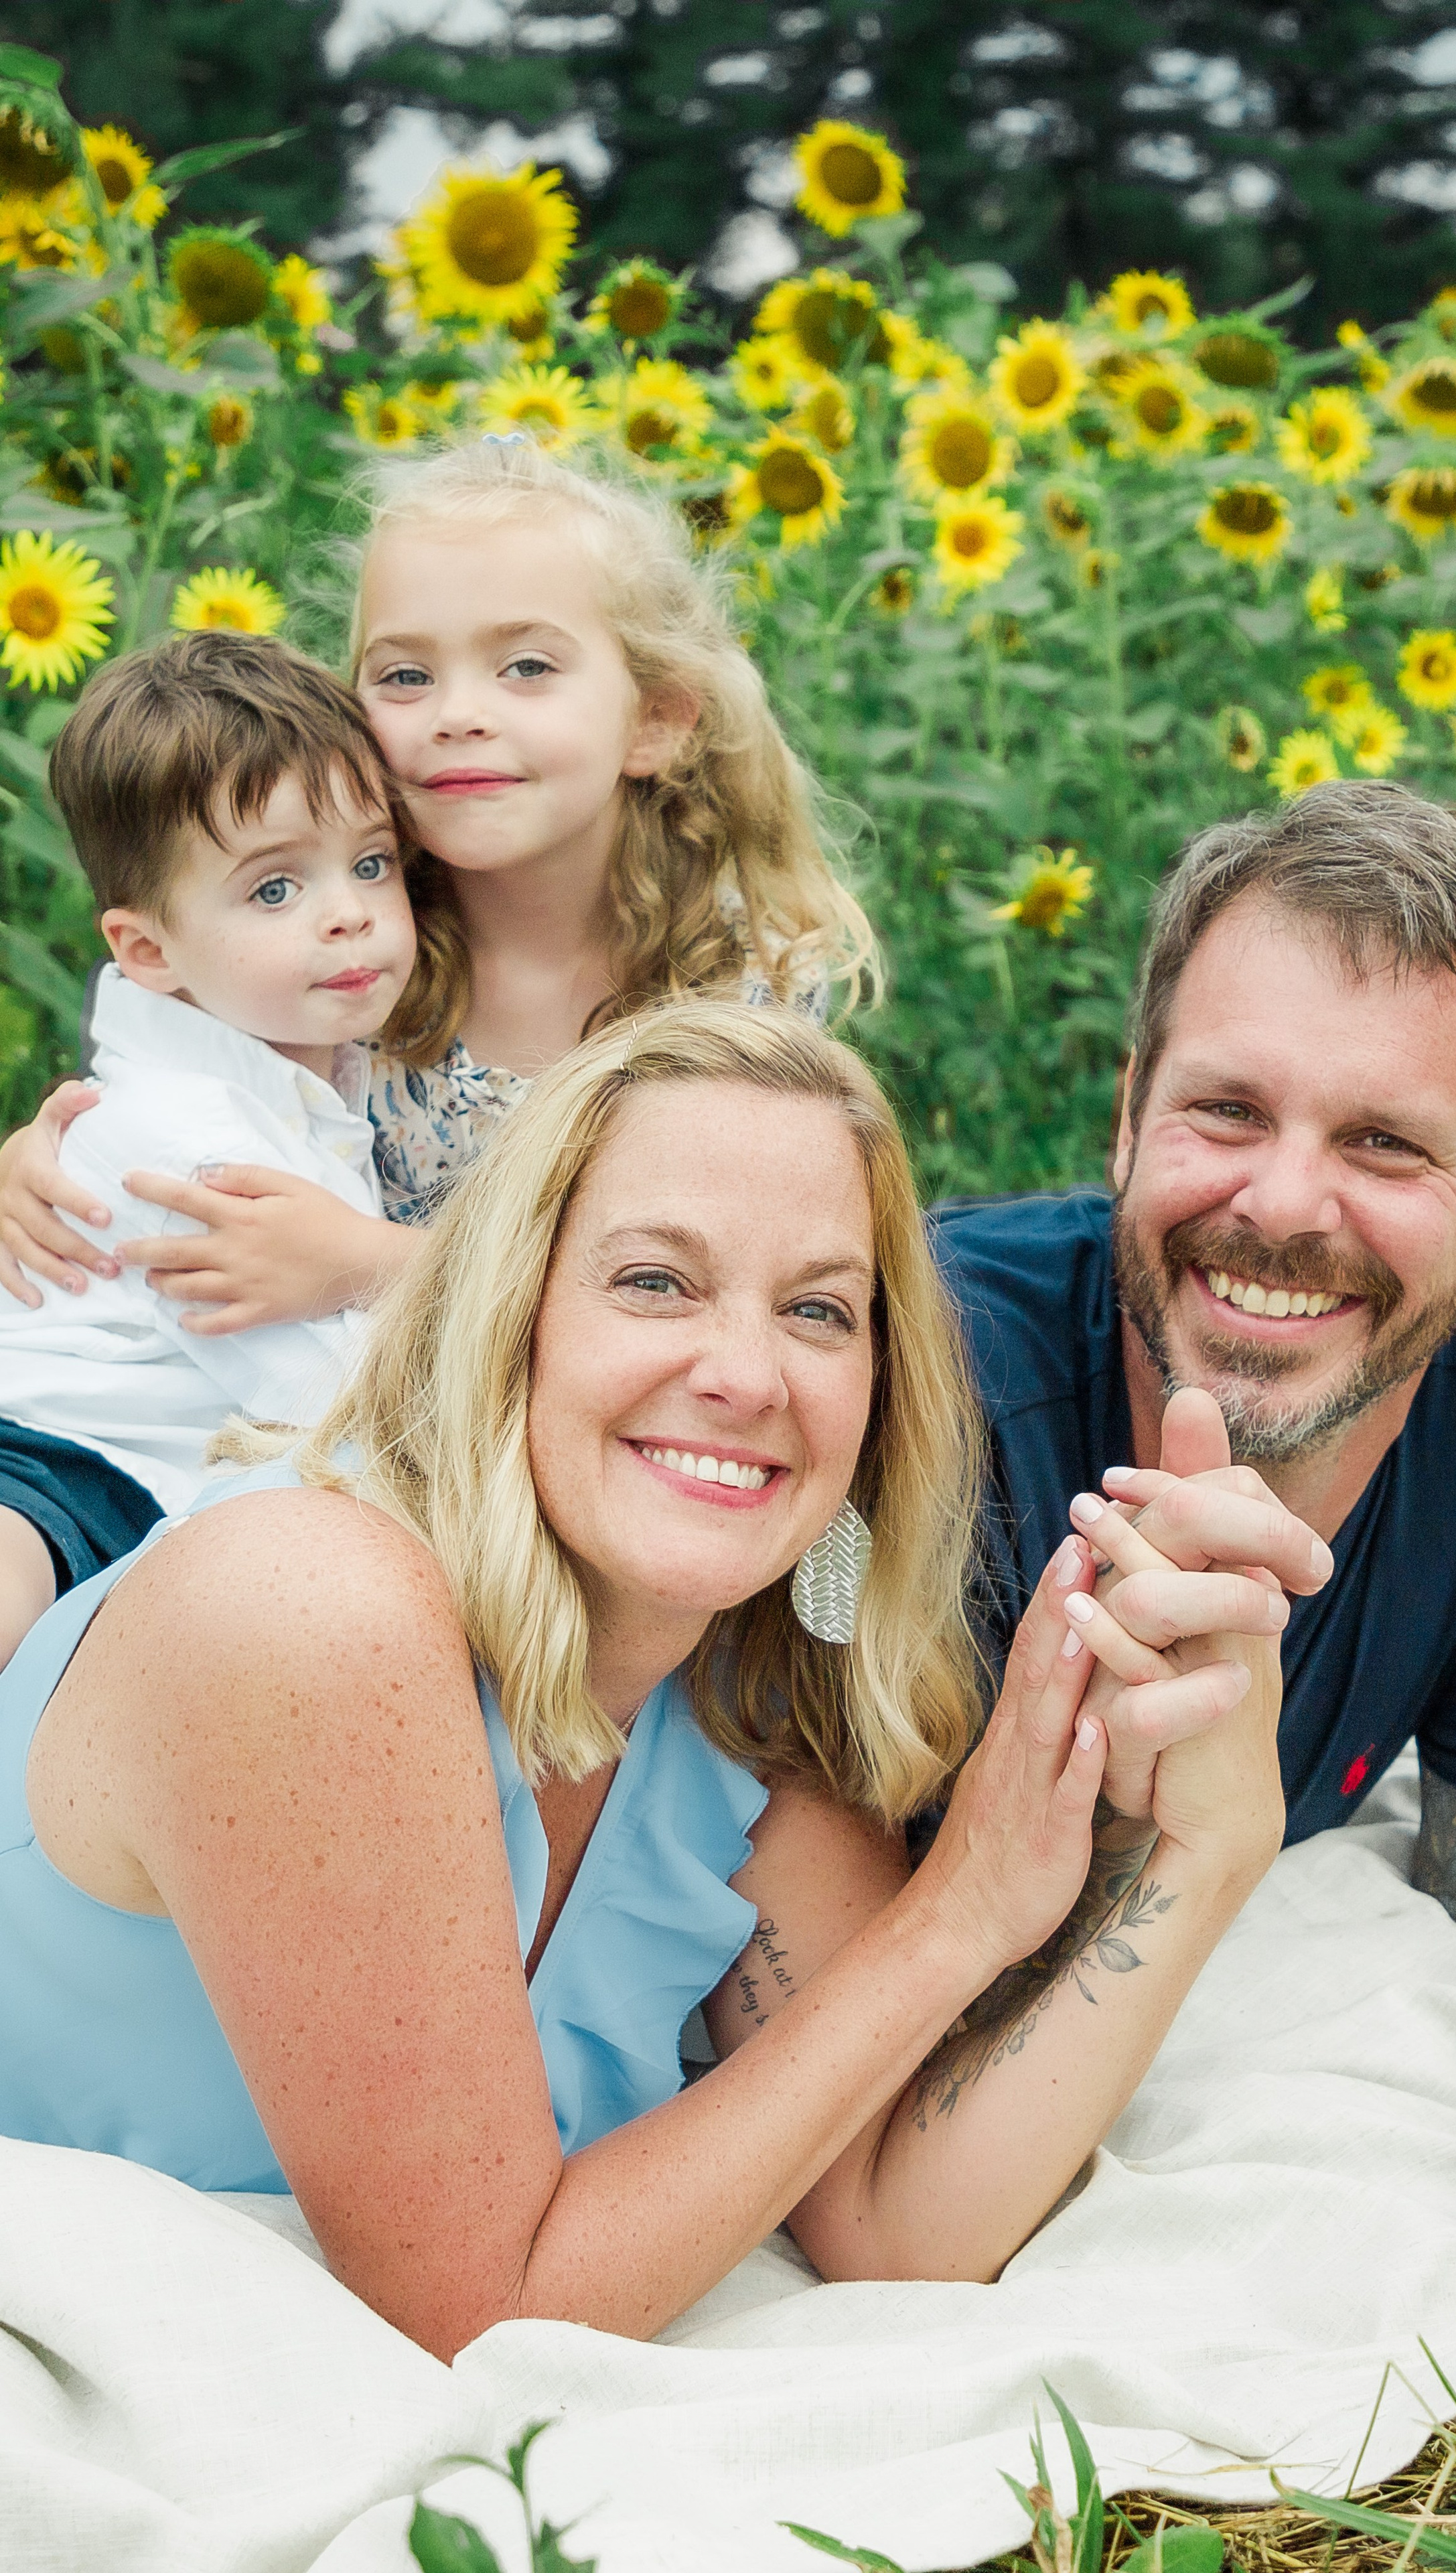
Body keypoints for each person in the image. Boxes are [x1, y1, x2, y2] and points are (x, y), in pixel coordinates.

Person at [0, 1000, 1327, 2359]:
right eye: (654, 1282)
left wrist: (1209, 1836)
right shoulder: (312, 1607)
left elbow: (895, 2221)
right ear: (507, 1310)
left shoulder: (730, 1700)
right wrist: (958, 1908)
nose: (745, 1376)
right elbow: (483, 2313)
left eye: (817, 1309)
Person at [930, 778, 1456, 2287]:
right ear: (1126, 1116)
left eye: (1384, 1145)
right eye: (1224, 1109)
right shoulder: (926, 1391)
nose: (1283, 1205)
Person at [0, 436, 872, 1320]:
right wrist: (55, 1153)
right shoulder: (344, 941)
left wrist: (373, 1263)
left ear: (656, 717)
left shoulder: (738, 979)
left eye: (527, 666)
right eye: (406, 675)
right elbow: (171, 1074)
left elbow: (731, 1290)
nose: (458, 715)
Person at [0, 631, 417, 1667]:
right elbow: (336, 1402)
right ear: (147, 951)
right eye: (276, 890)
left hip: (145, 1500)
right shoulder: (185, 1144)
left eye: (371, 863)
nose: (350, 915)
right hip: (54, 1469)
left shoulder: (301, 1076)